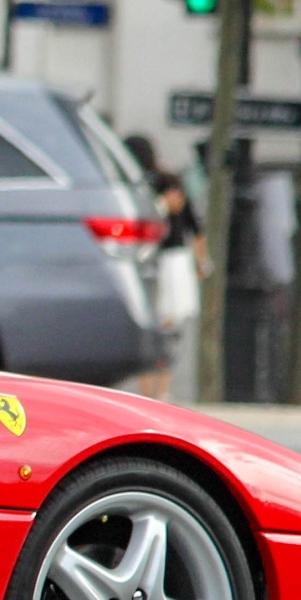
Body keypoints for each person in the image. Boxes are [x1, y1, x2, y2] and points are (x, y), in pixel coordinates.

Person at [125, 135, 205, 402]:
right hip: (173, 261)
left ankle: (148, 390)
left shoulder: (135, 184)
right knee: (168, 329)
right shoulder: (170, 182)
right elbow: (195, 227)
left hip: (149, 261)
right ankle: (161, 390)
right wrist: (200, 263)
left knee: (152, 326)